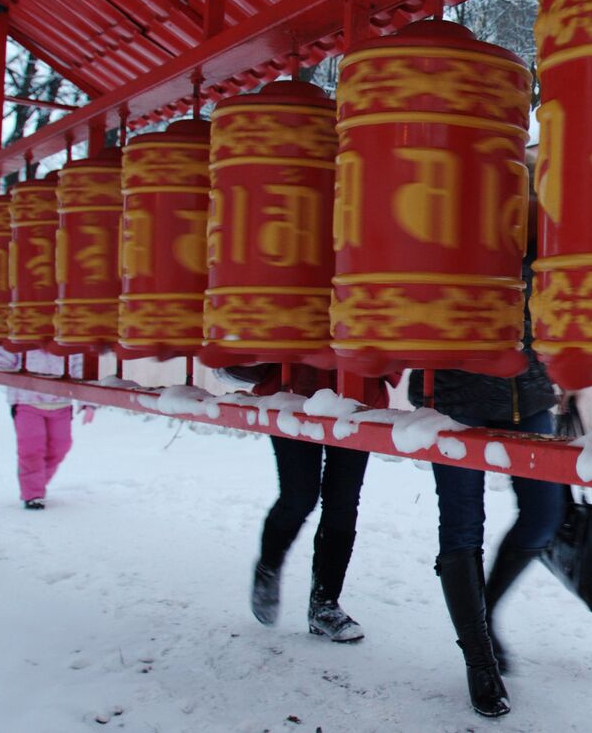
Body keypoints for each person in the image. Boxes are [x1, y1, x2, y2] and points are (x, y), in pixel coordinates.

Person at [407, 206, 563, 720]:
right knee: (460, 528)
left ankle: (486, 609)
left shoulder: (539, 228)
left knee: (544, 512)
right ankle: (479, 659)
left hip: (530, 396)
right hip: (458, 396)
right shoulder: (440, 218)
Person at [226, 363, 380, 644]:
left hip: (358, 393)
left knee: (343, 503)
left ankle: (325, 605)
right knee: (299, 496)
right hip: (293, 387)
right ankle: (267, 568)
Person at [0, 348, 92, 510]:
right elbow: (3, 357)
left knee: (61, 446)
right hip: (26, 400)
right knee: (31, 448)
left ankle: (35, 481)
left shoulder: (66, 337)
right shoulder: (24, 331)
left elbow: (80, 368)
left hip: (61, 402)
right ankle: (33, 494)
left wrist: (89, 401)